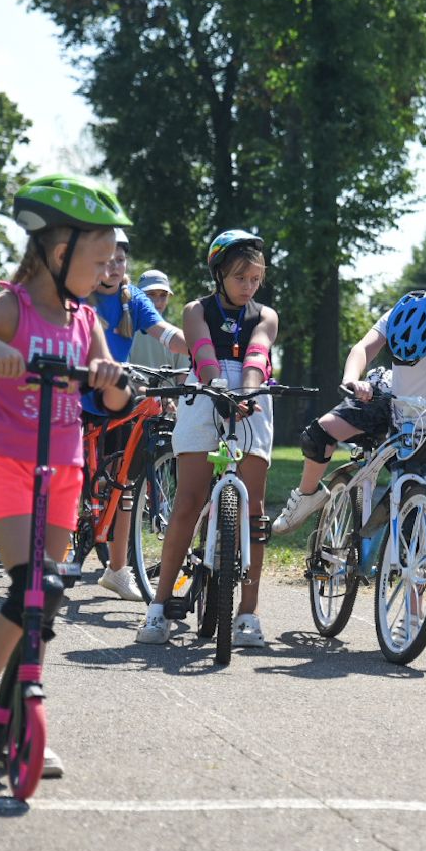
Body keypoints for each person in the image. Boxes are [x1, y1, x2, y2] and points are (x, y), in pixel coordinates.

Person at [0, 174, 135, 775]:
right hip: (12, 466)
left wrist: (115, 383)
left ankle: (19, 707)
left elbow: (114, 393)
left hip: (64, 469)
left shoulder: (85, 319)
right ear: (57, 250)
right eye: (98, 258)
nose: (109, 270)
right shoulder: (9, 306)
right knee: (25, 589)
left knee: (51, 595)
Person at [269, 289, 426, 536]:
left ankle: (406, 564)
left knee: (412, 516)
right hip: (389, 400)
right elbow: (363, 348)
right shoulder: (395, 317)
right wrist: (354, 380)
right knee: (318, 435)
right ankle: (307, 495)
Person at [137, 230, 281, 646]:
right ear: (219, 274)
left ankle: (248, 614)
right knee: (187, 501)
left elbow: (258, 351)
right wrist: (216, 386)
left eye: (255, 279)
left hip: (253, 396)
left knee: (253, 510)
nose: (249, 286)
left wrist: (249, 392)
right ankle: (159, 607)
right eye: (240, 277)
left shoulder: (266, 314)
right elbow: (201, 350)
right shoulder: (196, 309)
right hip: (204, 390)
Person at [87, 230, 188, 603]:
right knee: (67, 476)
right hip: (79, 395)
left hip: (119, 397)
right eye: (103, 259)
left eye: (119, 260)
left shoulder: (133, 299)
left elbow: (166, 333)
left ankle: (117, 570)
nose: (112, 267)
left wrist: (200, 345)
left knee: (125, 483)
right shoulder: (79, 295)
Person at [128, 269, 181, 369]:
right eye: (151, 294)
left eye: (163, 295)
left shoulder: (176, 336)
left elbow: (183, 378)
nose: (158, 302)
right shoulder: (124, 330)